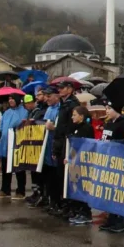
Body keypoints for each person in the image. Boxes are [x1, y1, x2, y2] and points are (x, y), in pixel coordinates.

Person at [99, 101, 124, 233]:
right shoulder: (108, 123)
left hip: (120, 161)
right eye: (106, 108)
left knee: (118, 191)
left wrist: (112, 143)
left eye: (109, 108)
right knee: (109, 191)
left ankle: (122, 221)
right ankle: (112, 218)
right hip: (108, 160)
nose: (107, 111)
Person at [46, 81, 80, 218]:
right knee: (60, 176)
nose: (59, 90)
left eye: (62, 88)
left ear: (70, 89)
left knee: (68, 177)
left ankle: (71, 207)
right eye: (59, 88)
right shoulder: (63, 104)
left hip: (68, 142)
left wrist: (59, 132)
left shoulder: (72, 105)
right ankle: (63, 204)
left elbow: (71, 126)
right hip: (60, 142)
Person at [67, 106, 96, 225]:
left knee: (83, 187)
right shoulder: (76, 128)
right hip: (75, 162)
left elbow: (85, 146)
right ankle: (79, 210)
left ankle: (86, 213)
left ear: (81, 116)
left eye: (74, 115)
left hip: (83, 163)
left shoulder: (86, 128)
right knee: (76, 186)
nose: (72, 117)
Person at [0, 95, 28, 199]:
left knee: (19, 169)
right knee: (5, 168)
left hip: (17, 144)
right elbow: (1, 128)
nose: (11, 100)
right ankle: (5, 189)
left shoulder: (24, 111)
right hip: (5, 144)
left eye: (13, 98)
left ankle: (21, 191)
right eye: (9, 99)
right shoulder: (6, 112)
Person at [36, 87, 61, 210]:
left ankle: (56, 202)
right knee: (47, 175)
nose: (47, 99)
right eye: (45, 96)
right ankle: (49, 199)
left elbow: (61, 127)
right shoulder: (49, 109)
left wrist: (54, 128)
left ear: (56, 96)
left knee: (55, 176)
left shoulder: (61, 108)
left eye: (49, 96)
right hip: (47, 146)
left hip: (55, 145)